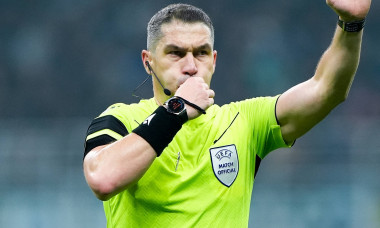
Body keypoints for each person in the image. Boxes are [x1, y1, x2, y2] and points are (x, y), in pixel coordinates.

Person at [83, 2, 371, 227]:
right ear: (148, 62)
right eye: (175, 53)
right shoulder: (120, 119)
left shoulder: (244, 121)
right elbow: (104, 179)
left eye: (201, 53)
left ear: (215, 60)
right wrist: (177, 110)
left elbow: (326, 90)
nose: (191, 66)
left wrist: (351, 24)